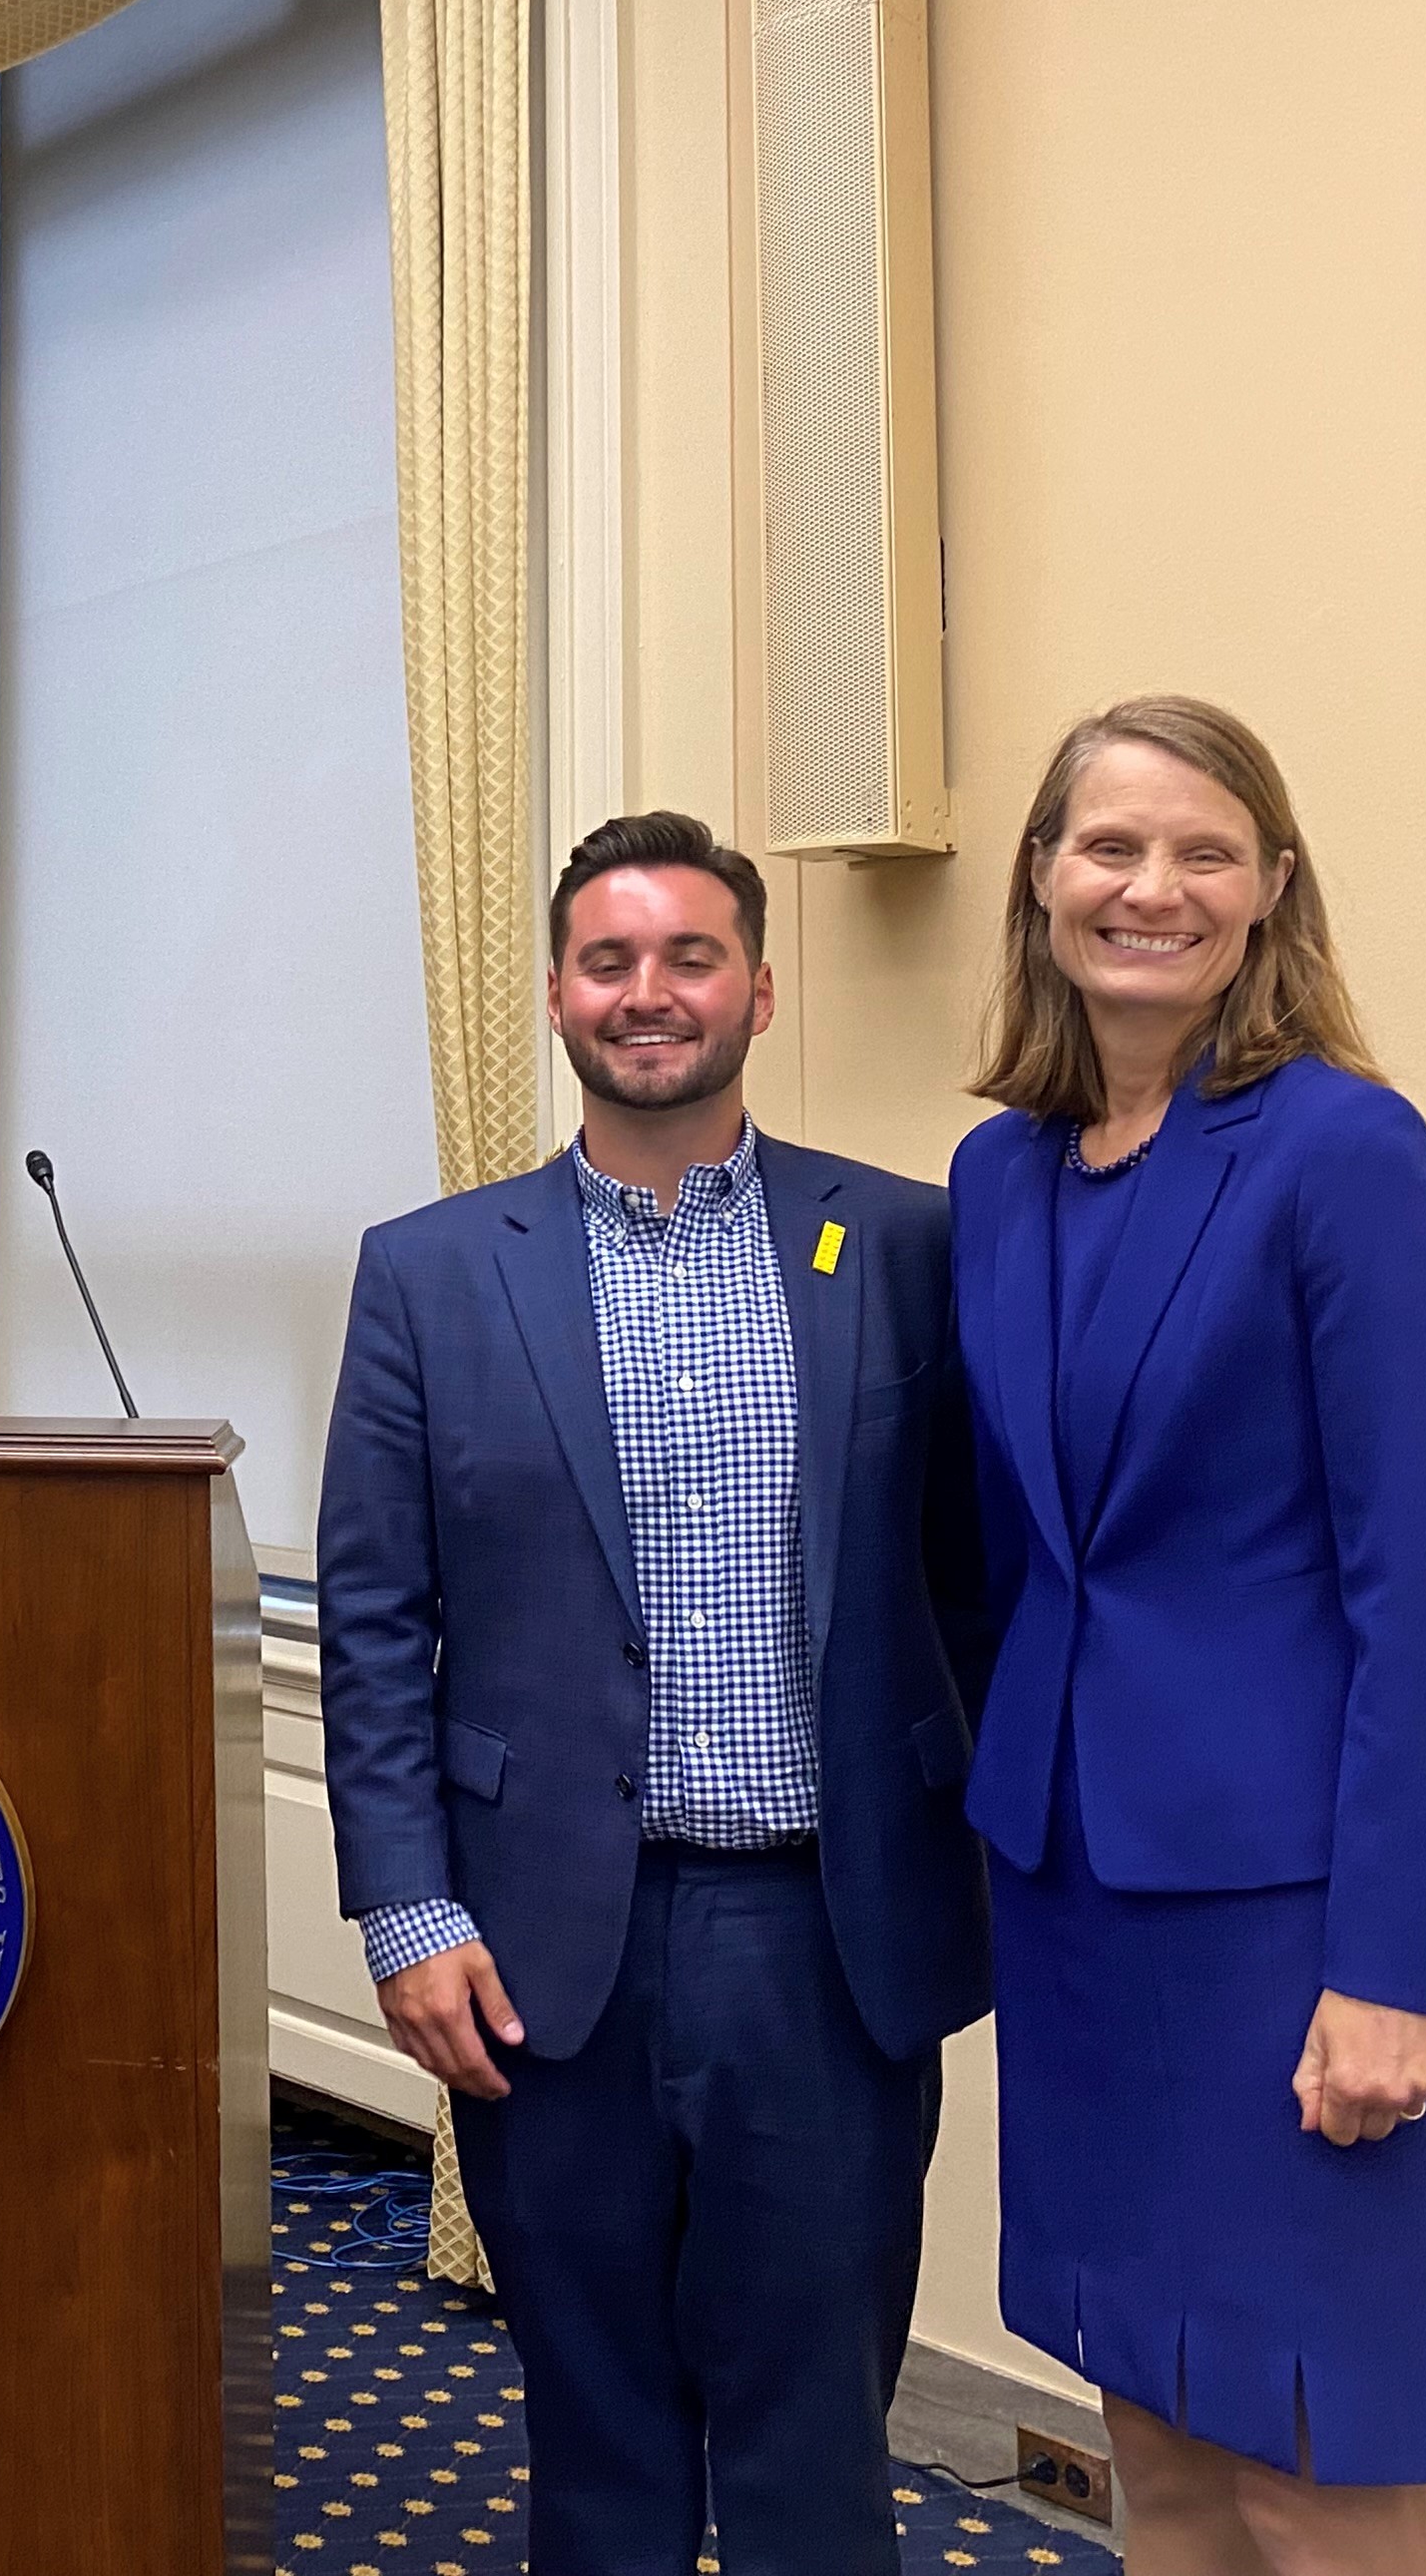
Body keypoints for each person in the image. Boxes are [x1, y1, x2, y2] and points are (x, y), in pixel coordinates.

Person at [318, 809, 997, 2576]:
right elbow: (380, 1619)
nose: (649, 994)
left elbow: (978, 1580)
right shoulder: (432, 1270)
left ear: (760, 991)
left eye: (690, 957)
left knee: (816, 2439)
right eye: (609, 960)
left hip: (822, 1947)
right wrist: (403, 1908)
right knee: (595, 2432)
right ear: (556, 992)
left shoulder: (909, 1247)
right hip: (547, 1952)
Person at [950, 695, 1426, 2573]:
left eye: (1201, 851)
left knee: (1312, 2461)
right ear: (1040, 881)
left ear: (1270, 890)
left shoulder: (1343, 1152)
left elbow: (1421, 1589)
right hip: (1078, 1901)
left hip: (1285, 1923)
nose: (1150, 888)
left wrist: (1400, 1966)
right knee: (1155, 2431)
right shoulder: (1000, 1177)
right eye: (1108, 846)